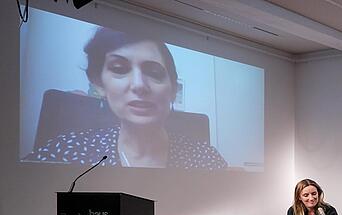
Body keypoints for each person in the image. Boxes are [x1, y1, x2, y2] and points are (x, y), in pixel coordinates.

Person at [26, 27, 227, 169]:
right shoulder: (65, 152)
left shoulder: (207, 160)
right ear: (100, 84)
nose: (139, 85)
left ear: (173, 89)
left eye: (154, 72)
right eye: (119, 69)